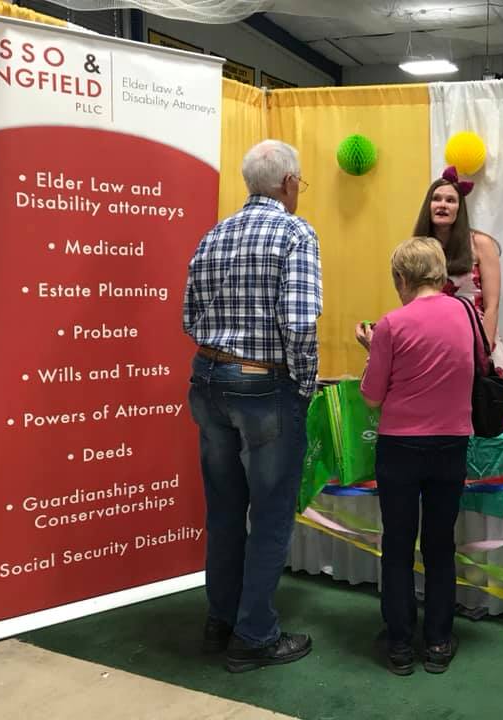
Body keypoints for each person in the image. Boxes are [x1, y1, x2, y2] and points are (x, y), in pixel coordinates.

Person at [182, 139, 322, 673]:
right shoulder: (295, 233)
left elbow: (189, 317)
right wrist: (304, 383)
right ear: (288, 183)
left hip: (207, 378)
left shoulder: (214, 234)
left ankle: (220, 619)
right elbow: (299, 321)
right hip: (265, 386)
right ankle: (255, 635)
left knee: (222, 509)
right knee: (269, 513)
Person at [355, 237, 487, 676]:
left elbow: (373, 396)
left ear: (401, 278)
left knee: (397, 543)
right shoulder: (467, 315)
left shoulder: (392, 325)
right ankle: (438, 640)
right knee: (439, 543)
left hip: (400, 445)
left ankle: (399, 641)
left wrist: (372, 348)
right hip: (452, 442)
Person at [413, 166, 503, 377]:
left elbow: (492, 306)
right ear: (428, 206)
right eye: (436, 199)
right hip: (433, 343)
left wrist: (483, 354)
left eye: (450, 200)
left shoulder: (480, 244)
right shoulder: (418, 248)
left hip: (477, 340)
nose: (442, 204)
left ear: (460, 208)